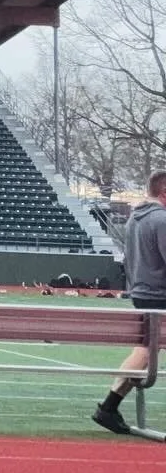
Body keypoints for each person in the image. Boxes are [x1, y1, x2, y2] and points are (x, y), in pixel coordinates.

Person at [94, 168, 166, 433]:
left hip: (142, 291)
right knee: (147, 350)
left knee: (147, 351)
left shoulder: (137, 218)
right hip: (158, 294)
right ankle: (108, 406)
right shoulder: (160, 220)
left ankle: (110, 406)